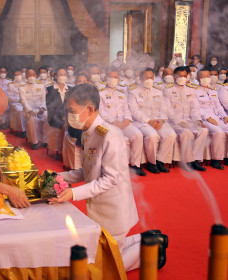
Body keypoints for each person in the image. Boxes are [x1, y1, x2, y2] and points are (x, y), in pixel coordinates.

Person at [49, 83, 168, 271]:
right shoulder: (89, 132)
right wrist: (57, 177)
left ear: (89, 109)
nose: (68, 116)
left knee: (104, 268)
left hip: (114, 210)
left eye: (72, 111)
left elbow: (110, 179)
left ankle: (152, 249)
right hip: (100, 208)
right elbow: (87, 171)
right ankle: (149, 238)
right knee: (106, 247)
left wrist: (73, 193)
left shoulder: (110, 136)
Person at [99, 68, 146, 176]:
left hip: (123, 122)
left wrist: (127, 119)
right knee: (117, 138)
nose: (112, 79)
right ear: (105, 78)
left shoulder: (122, 92)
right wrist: (114, 122)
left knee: (138, 135)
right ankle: (116, 167)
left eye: (115, 77)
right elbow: (101, 111)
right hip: (109, 124)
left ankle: (135, 165)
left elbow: (126, 109)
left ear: (118, 79)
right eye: (110, 77)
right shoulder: (100, 93)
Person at [128, 68, 176, 173]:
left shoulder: (158, 91)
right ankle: (152, 163)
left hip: (158, 120)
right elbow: (134, 110)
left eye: (151, 77)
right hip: (142, 122)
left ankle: (160, 161)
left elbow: (164, 107)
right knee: (153, 136)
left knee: (171, 134)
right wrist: (149, 121)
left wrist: (161, 120)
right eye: (146, 77)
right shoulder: (133, 91)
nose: (149, 80)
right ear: (141, 78)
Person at [163, 66, 208, 171]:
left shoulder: (191, 90)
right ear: (174, 76)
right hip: (174, 122)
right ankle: (189, 162)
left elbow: (194, 108)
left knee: (204, 130)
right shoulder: (168, 90)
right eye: (179, 76)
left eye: (184, 76)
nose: (182, 78)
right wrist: (179, 122)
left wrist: (197, 120)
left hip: (189, 120)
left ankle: (195, 160)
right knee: (186, 132)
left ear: (187, 77)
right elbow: (168, 110)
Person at [194, 68, 228, 169]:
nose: (206, 78)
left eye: (208, 76)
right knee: (218, 132)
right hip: (205, 118)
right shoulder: (194, 91)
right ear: (197, 78)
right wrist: (207, 118)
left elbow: (218, 106)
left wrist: (224, 116)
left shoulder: (213, 90)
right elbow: (196, 108)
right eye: (203, 77)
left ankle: (226, 157)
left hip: (217, 117)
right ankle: (216, 160)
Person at [19, 68, 48, 149]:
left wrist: (42, 108)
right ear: (26, 76)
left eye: (33, 75)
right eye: (29, 75)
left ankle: (45, 140)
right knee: (32, 119)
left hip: (40, 109)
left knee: (47, 116)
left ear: (36, 76)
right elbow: (24, 101)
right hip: (29, 110)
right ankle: (35, 142)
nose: (31, 76)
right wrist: (30, 110)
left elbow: (43, 99)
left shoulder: (41, 86)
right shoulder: (22, 88)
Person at [46, 67, 72, 157]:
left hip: (69, 117)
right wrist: (62, 118)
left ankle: (69, 151)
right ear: (56, 76)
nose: (63, 77)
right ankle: (63, 150)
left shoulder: (71, 89)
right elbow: (50, 107)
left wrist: (68, 117)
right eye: (61, 75)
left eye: (65, 75)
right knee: (63, 124)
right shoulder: (49, 89)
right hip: (54, 116)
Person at [8, 69, 26, 137]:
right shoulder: (11, 85)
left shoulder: (26, 84)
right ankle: (23, 130)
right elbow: (9, 97)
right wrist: (18, 100)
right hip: (16, 103)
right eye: (15, 75)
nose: (17, 76)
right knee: (20, 110)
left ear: (21, 75)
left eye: (19, 75)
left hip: (26, 102)